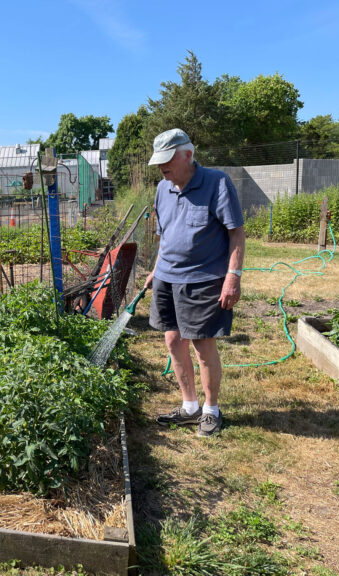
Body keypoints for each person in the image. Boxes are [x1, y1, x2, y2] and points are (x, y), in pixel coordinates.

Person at [144, 128, 245, 437]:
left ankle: (211, 410)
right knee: (173, 341)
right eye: (158, 162)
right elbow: (165, 236)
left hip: (203, 279)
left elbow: (236, 234)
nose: (162, 168)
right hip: (167, 278)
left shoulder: (217, 183)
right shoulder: (163, 188)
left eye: (168, 160)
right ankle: (190, 407)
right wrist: (155, 269)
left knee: (202, 346)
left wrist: (233, 276)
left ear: (187, 155)